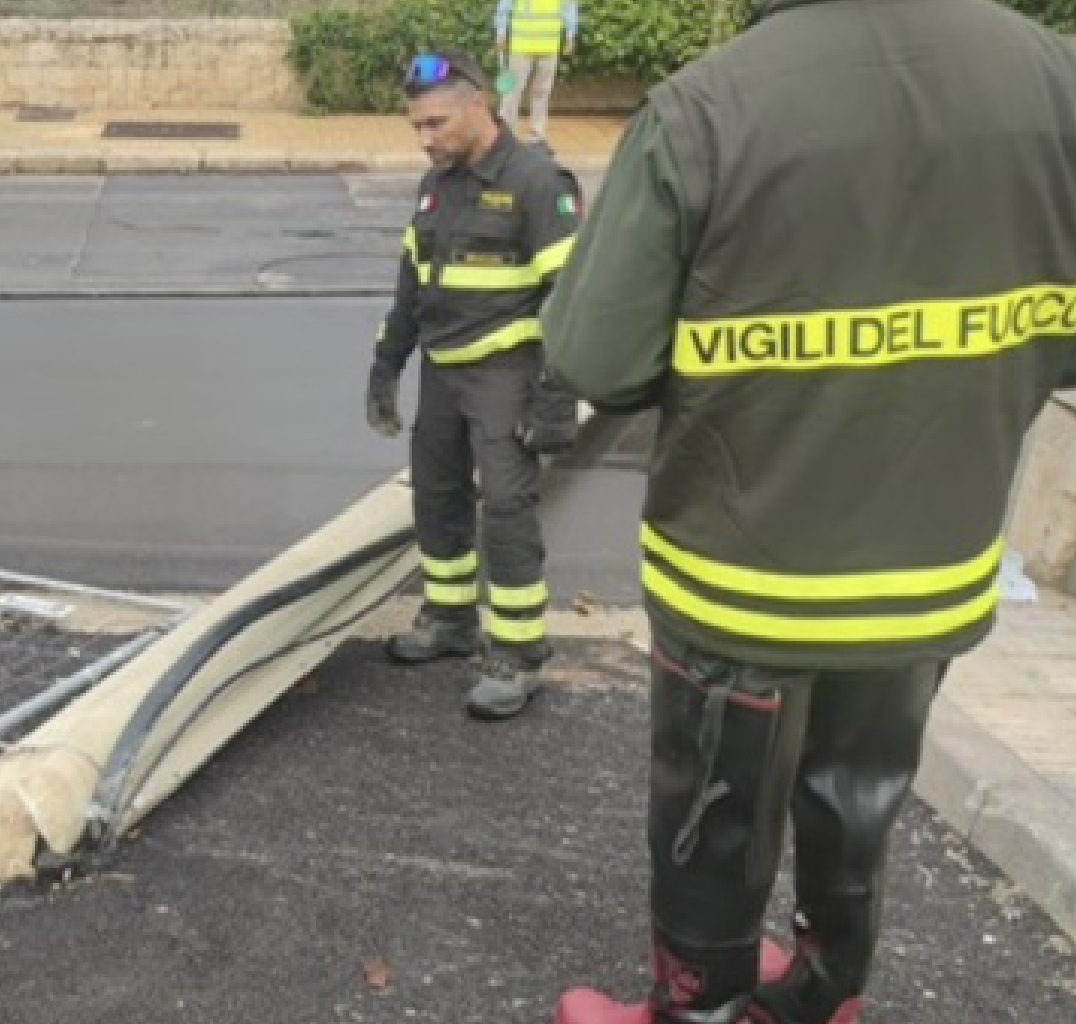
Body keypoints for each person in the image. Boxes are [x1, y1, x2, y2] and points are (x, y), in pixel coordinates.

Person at [540, 0, 1076, 1021]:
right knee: (860, 794)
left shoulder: (706, 110)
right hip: (927, 566)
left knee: (713, 820)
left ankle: (693, 1009)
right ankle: (825, 992)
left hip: (742, 575)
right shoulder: (1050, 79)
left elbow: (593, 357)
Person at [368, 50, 581, 721]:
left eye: (434, 124)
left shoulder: (537, 182)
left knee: (508, 509)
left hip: (507, 373)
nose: (424, 139)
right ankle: (451, 619)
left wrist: (554, 399)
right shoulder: (437, 185)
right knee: (436, 495)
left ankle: (518, 653)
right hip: (442, 369)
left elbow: (570, 301)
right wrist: (386, 363)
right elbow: (412, 284)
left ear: (478, 105)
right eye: (416, 128)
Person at [495, 0, 580, 142]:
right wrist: (501, 32)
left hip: (549, 46)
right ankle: (506, 131)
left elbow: (570, 7)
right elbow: (504, 6)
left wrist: (570, 36)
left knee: (542, 91)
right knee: (512, 90)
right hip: (521, 46)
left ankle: (537, 133)